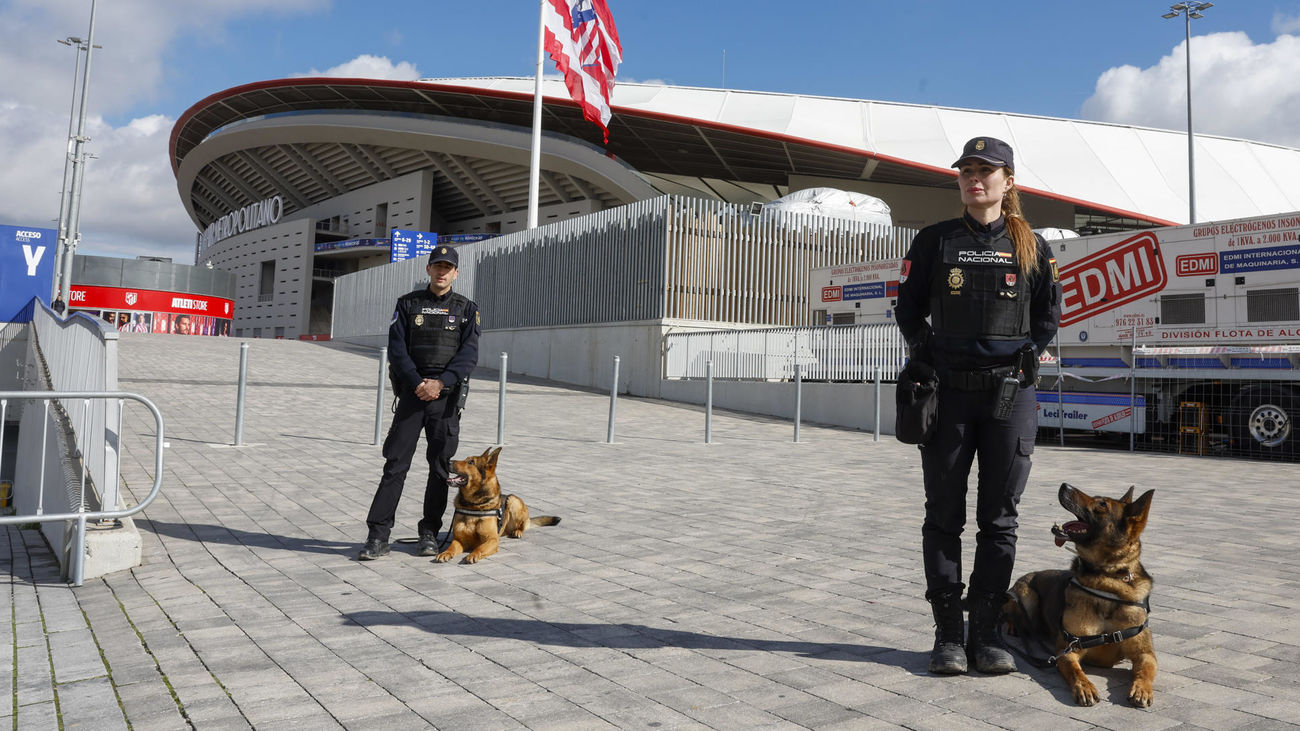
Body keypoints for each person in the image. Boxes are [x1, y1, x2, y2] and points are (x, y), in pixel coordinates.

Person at [894, 137, 1061, 675]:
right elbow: (909, 308)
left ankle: (986, 635)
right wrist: (926, 357)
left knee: (1000, 521)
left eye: (986, 170)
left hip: (1010, 398)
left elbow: (1047, 319)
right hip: (951, 398)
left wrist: (1027, 359)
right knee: (942, 517)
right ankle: (947, 636)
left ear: (1008, 181)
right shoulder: (935, 241)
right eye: (967, 170)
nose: (975, 178)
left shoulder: (1033, 245)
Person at [359, 245, 480, 560]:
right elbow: (397, 350)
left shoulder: (467, 309)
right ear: (428, 270)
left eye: (447, 268)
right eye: (436, 266)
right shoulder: (407, 304)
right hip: (413, 397)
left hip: (445, 399)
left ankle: (429, 533)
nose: (441, 272)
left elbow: (468, 355)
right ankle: (377, 536)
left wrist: (440, 383)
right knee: (395, 466)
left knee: (440, 468)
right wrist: (418, 384)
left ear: (456, 273)